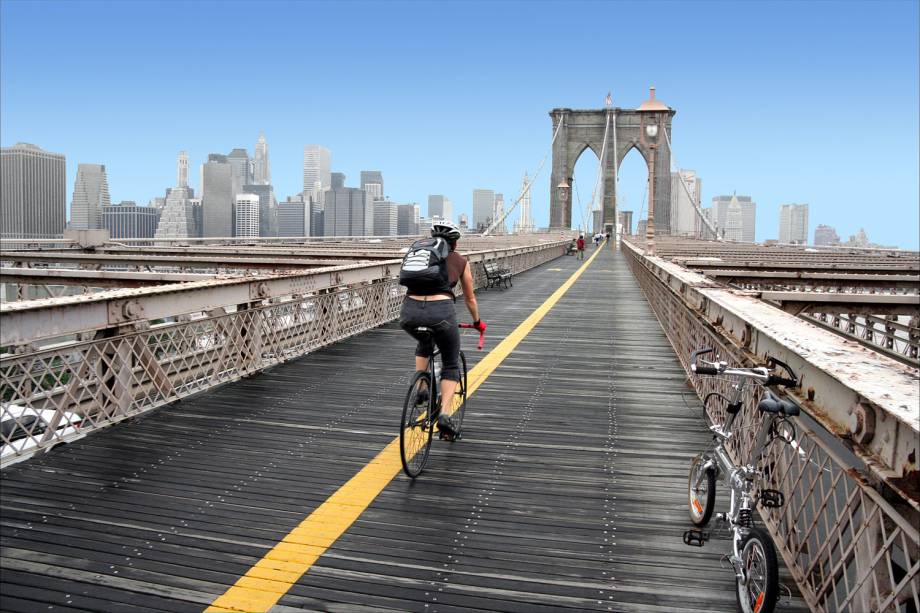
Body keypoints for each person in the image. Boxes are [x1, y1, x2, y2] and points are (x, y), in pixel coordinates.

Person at [399, 220, 485, 439]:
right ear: (455, 243)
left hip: (409, 313)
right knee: (451, 362)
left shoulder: (421, 254)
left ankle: (422, 386)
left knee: (424, 342)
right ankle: (445, 416)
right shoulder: (460, 261)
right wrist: (477, 322)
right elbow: (470, 299)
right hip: (441, 314)